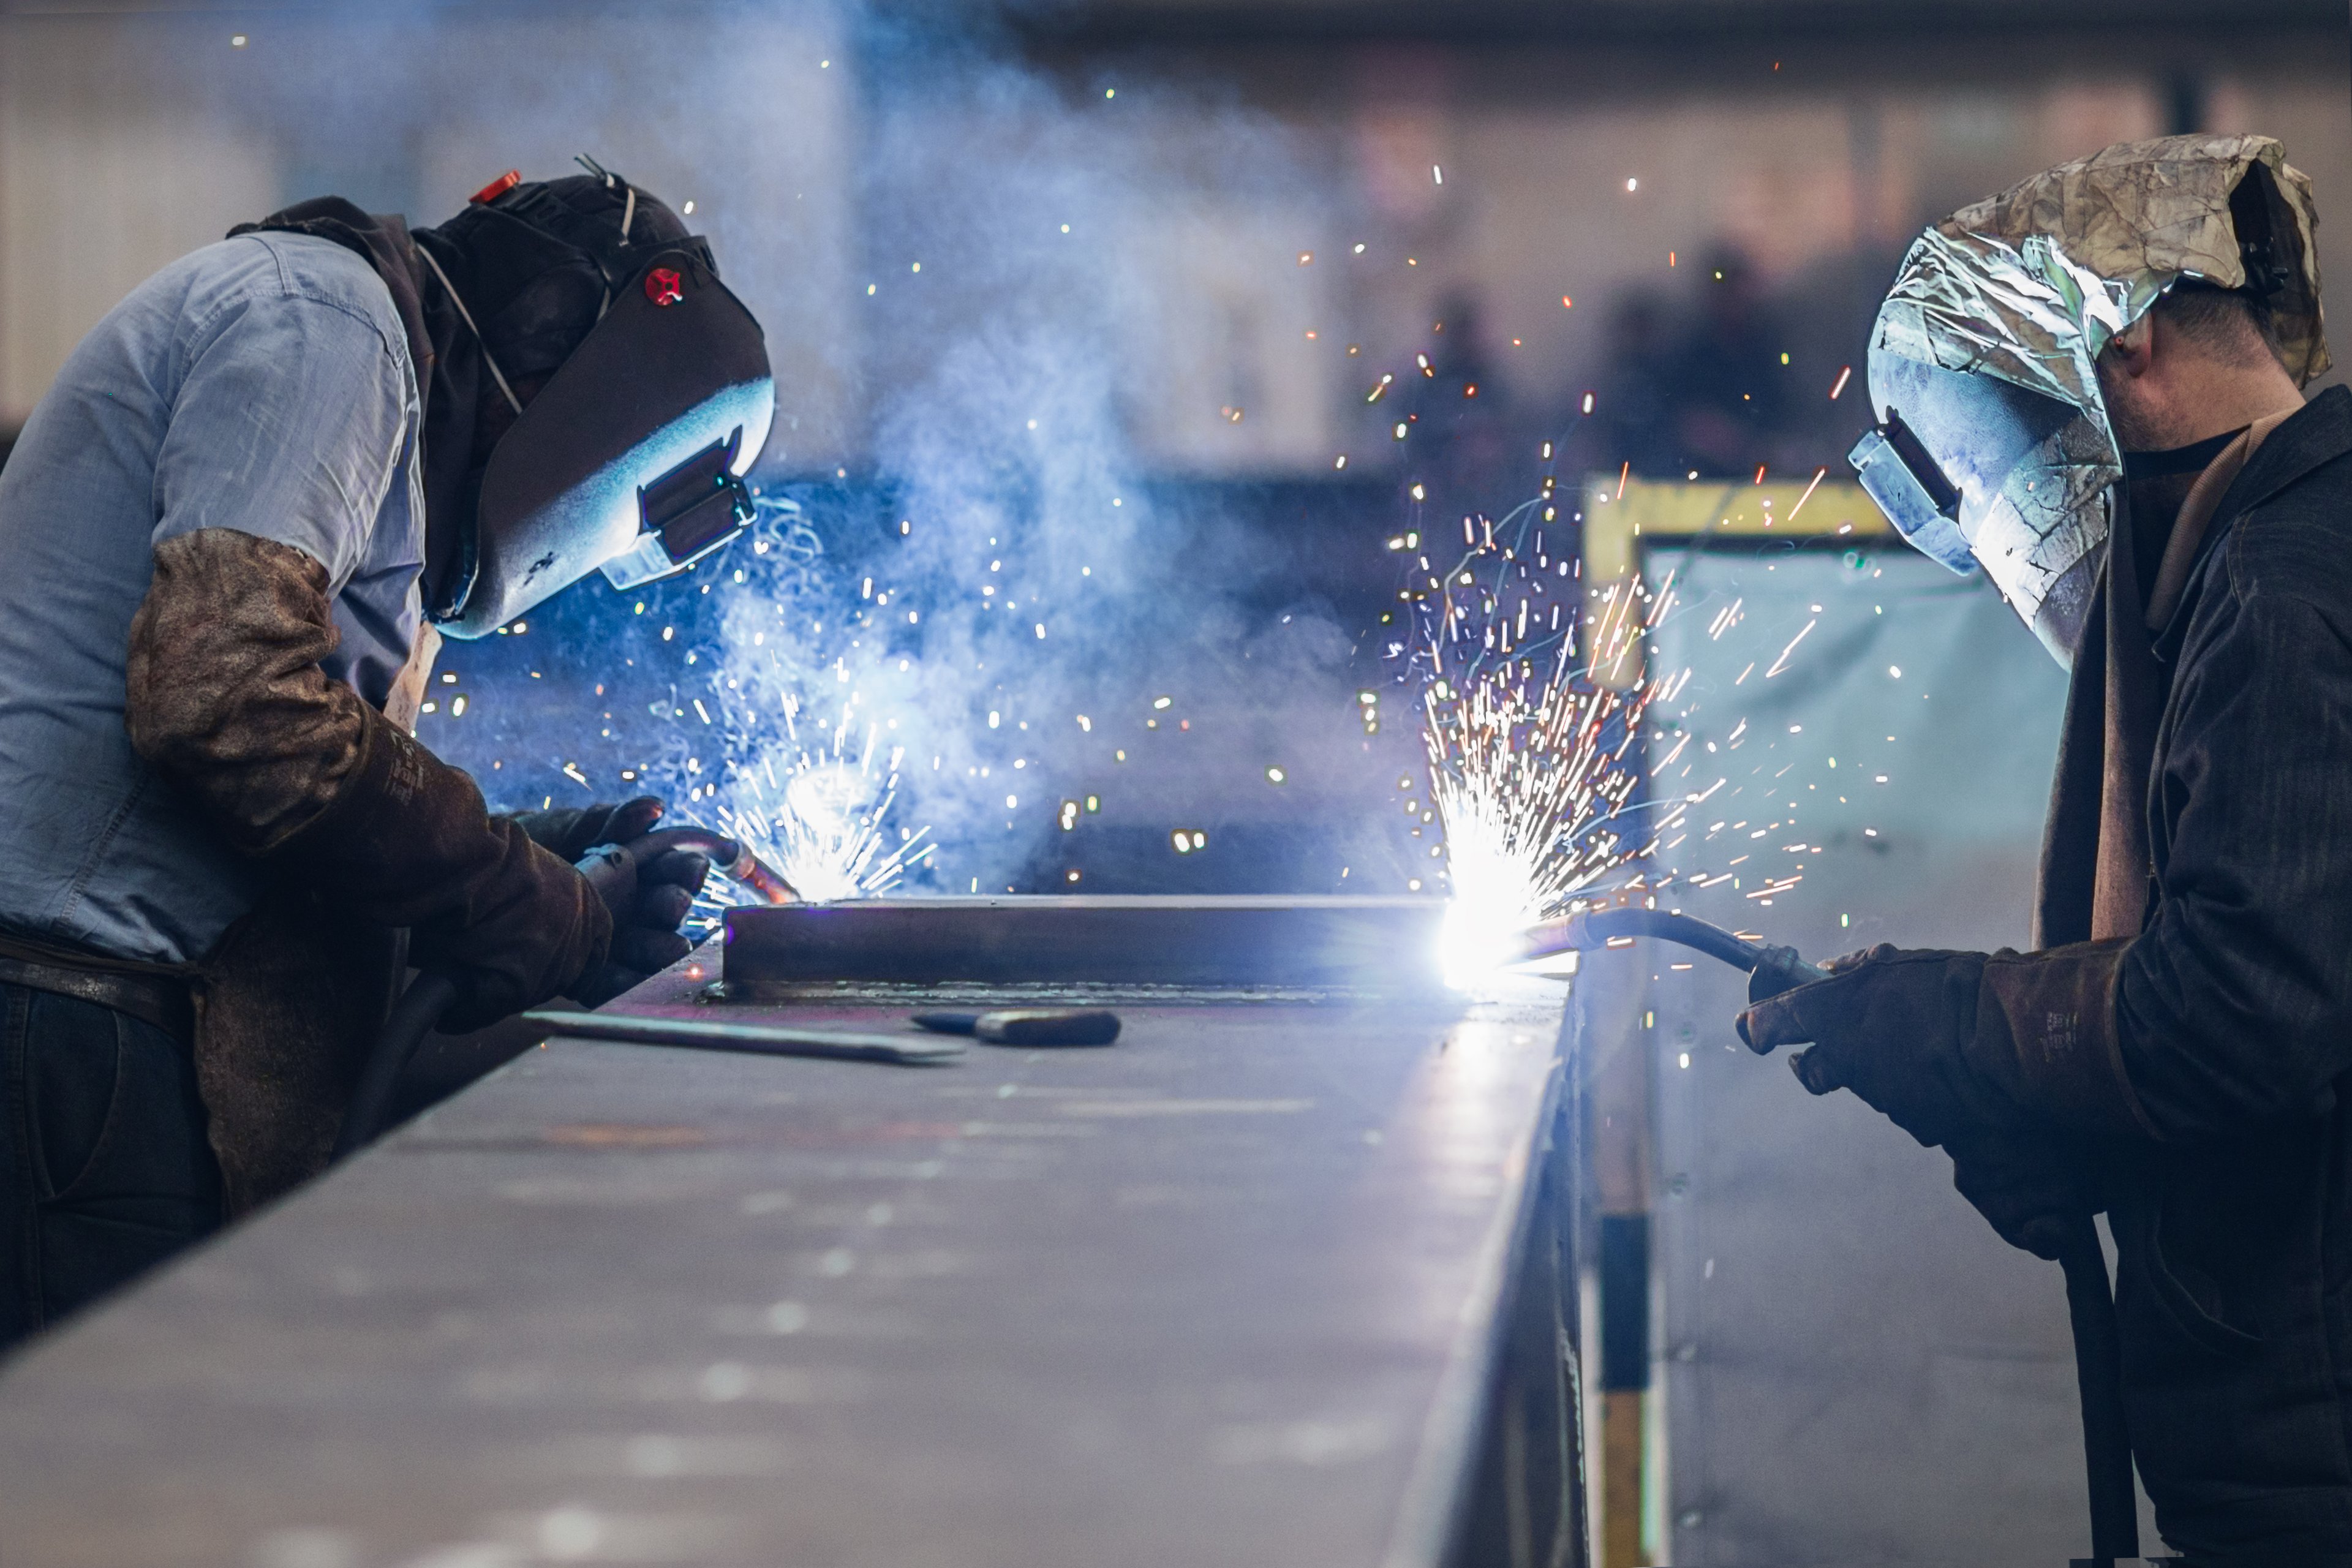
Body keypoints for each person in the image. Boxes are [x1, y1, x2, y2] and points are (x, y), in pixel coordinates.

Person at [0, 164, 775, 1350]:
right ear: (573, 380)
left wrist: (536, 856)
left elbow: (301, 780)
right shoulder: (326, 325)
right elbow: (231, 706)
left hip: (102, 1032)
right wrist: (531, 901)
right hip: (65, 1038)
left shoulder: (384, 409)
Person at [1745, 133, 2350, 1554]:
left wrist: (1958, 1025)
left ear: (2121, 335)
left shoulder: (2278, 586)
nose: (1995, 509)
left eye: (1973, 452)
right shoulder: (2276, 551)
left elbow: (2248, 1007)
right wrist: (2056, 1114)